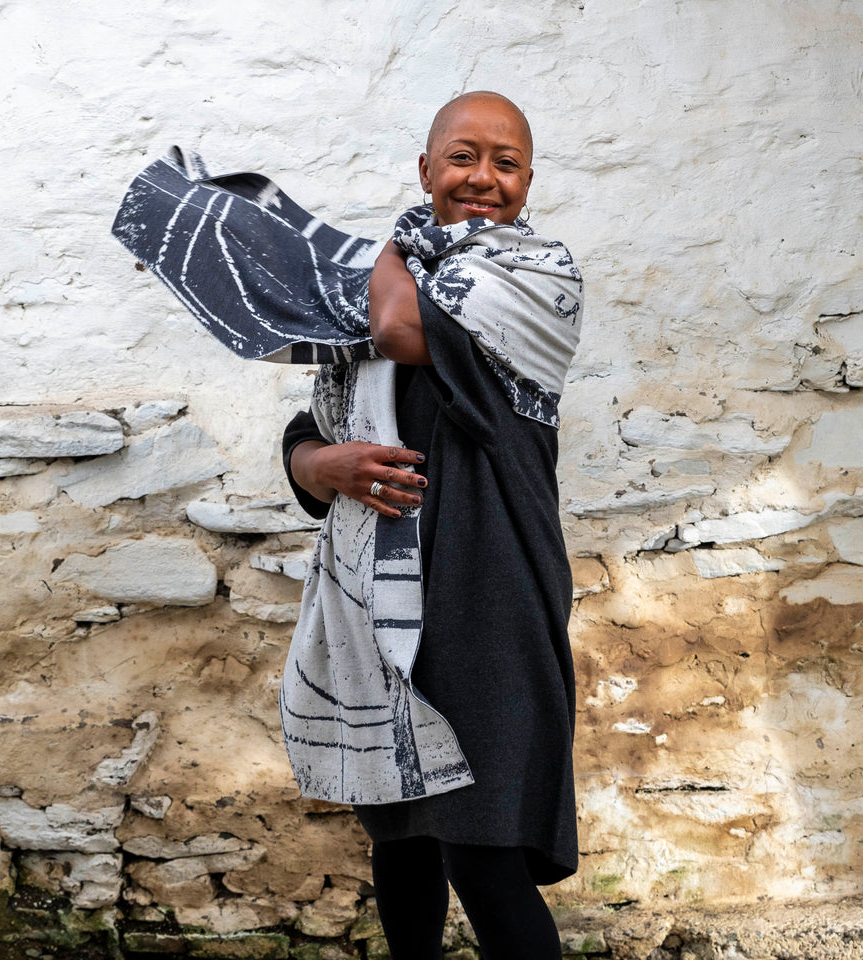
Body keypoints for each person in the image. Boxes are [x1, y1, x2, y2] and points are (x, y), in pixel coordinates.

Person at [280, 91, 582, 960]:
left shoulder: (538, 279)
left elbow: (397, 327)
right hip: (380, 601)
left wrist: (380, 248)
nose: (483, 178)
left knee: (483, 854)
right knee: (402, 842)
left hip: (493, 594)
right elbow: (315, 427)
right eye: (462, 157)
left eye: (506, 162)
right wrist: (320, 466)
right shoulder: (393, 274)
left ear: (527, 181)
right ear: (426, 168)